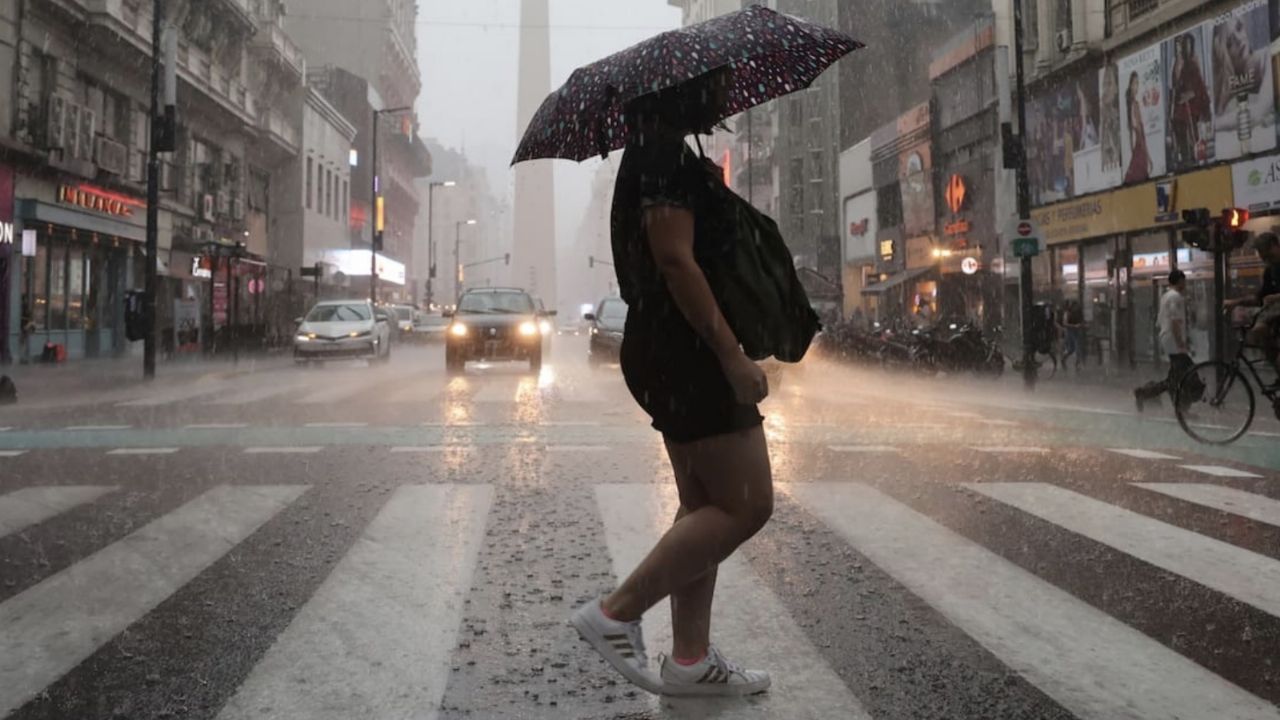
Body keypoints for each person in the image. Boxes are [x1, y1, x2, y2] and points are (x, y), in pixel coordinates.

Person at [569, 67, 772, 698]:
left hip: (666, 347)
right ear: (681, 91)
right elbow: (676, 260)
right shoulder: (660, 156)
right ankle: (617, 612)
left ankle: (689, 661)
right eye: (715, 83)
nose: (726, 92)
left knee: (702, 505)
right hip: (687, 351)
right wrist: (731, 354)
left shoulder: (662, 155)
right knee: (746, 504)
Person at [1135, 270, 1200, 411]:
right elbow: (1175, 321)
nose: (1185, 284)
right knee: (1187, 371)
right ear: (1180, 281)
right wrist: (1180, 342)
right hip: (1173, 340)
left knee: (1176, 375)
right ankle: (1181, 406)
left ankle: (1146, 393)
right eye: (1184, 281)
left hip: (1168, 338)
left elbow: (1160, 321)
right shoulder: (1175, 297)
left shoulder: (1165, 296)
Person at [1226, 232, 1280, 384]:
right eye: (1260, 252)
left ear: (1275, 246)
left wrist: (1275, 298)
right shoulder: (1271, 270)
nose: (1262, 256)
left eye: (1264, 251)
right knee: (1259, 332)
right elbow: (1259, 297)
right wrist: (1235, 302)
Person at [1170, 34, 1211, 168]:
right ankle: (1185, 156)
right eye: (1183, 45)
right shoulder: (1178, 63)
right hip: (1182, 105)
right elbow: (1175, 84)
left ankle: (1194, 155)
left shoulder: (1194, 62)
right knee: (1178, 122)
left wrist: (1191, 94)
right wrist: (1178, 60)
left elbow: (1199, 85)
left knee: (1192, 129)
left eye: (1188, 45)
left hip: (1194, 105)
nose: (1186, 48)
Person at [1124, 71, 1152, 184]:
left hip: (1139, 140)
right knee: (1139, 171)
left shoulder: (1133, 103)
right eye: (1135, 83)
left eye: (1138, 83)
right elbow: (1137, 127)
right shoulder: (1133, 104)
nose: (1137, 86)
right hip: (1140, 140)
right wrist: (1148, 155)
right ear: (1130, 85)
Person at [1060, 300, 1085, 371]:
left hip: (1076, 331)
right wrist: (1074, 326)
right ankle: (1063, 359)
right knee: (1071, 349)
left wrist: (1081, 325)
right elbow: (1064, 323)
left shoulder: (1079, 313)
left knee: (1077, 349)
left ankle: (1077, 364)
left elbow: (1082, 321)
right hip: (1070, 332)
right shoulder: (1067, 313)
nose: (1076, 308)